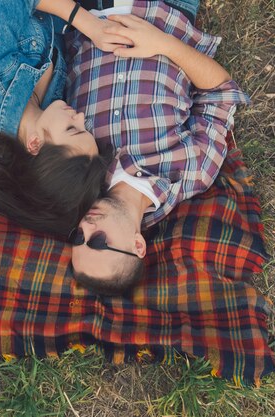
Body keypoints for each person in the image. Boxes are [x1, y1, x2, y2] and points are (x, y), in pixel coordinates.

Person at [67, 0, 250, 295]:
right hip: (164, 11)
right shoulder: (191, 174)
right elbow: (222, 94)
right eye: (99, 241)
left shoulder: (76, 175)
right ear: (137, 245)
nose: (87, 227)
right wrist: (163, 44)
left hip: (88, 11)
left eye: (78, 238)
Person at [0, 0, 129, 236]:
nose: (79, 116)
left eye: (72, 129)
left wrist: (87, 23)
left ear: (34, 143)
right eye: (83, 126)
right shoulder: (48, 107)